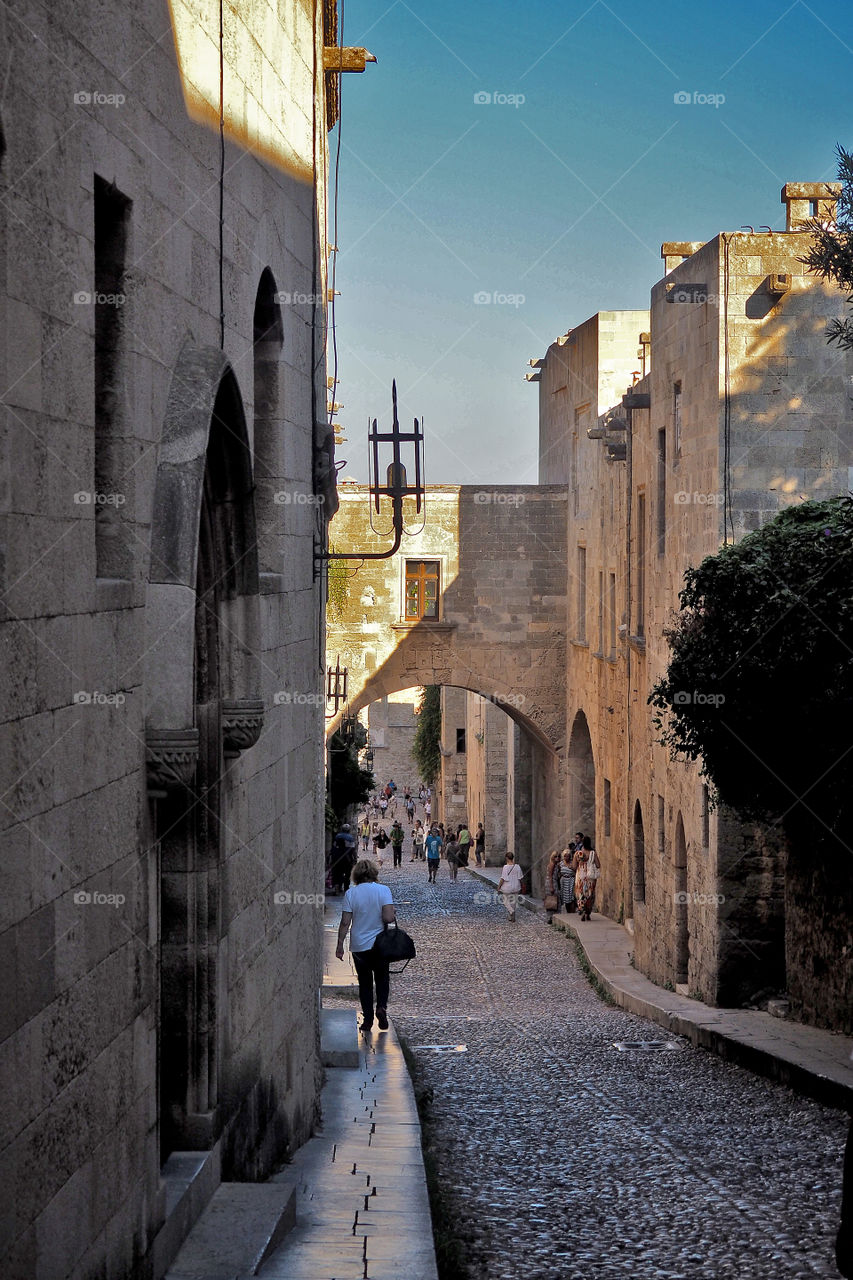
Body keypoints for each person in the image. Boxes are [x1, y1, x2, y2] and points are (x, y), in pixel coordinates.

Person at [336, 859, 396, 1034]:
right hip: (380, 945)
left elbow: (345, 922)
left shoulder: (351, 894)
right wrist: (392, 914)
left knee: (365, 983)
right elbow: (388, 918)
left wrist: (340, 945)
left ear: (356, 875)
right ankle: (381, 1007)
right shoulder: (383, 890)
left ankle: (368, 1020)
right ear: (374, 873)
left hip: (359, 946)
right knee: (382, 978)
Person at [575, 836, 601, 921]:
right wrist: (591, 863)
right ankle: (588, 913)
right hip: (590, 877)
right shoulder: (593, 853)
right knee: (589, 895)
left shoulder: (578, 853)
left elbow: (574, 866)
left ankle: (582, 911)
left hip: (581, 876)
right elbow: (598, 865)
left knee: (581, 894)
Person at [330, 823, 357, 895]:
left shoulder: (337, 836)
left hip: (337, 858)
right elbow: (353, 850)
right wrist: (354, 859)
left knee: (337, 873)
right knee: (347, 874)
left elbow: (333, 847)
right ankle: (346, 888)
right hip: (347, 859)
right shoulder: (350, 838)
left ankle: (337, 888)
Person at [498, 852, 524, 921]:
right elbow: (520, 878)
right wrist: (522, 885)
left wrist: (499, 886)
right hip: (516, 886)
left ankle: (511, 911)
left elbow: (502, 878)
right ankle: (511, 917)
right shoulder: (517, 867)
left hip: (507, 887)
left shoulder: (505, 867)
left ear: (507, 858)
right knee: (513, 902)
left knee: (505, 900)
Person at [558, 847, 576, 914]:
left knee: (571, 898)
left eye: (568, 856)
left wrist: (572, 868)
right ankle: (568, 913)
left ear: (570, 856)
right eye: (565, 856)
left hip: (571, 881)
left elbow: (575, 871)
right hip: (564, 882)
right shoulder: (561, 864)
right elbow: (559, 873)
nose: (566, 858)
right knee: (565, 898)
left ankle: (572, 913)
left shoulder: (572, 863)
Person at [544, 850, 561, 922]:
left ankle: (553, 917)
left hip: (554, 882)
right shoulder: (552, 864)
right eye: (555, 856)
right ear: (552, 857)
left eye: (558, 856)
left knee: (555, 899)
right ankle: (551, 917)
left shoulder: (556, 865)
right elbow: (550, 876)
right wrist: (551, 887)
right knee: (552, 899)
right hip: (551, 882)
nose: (557, 858)